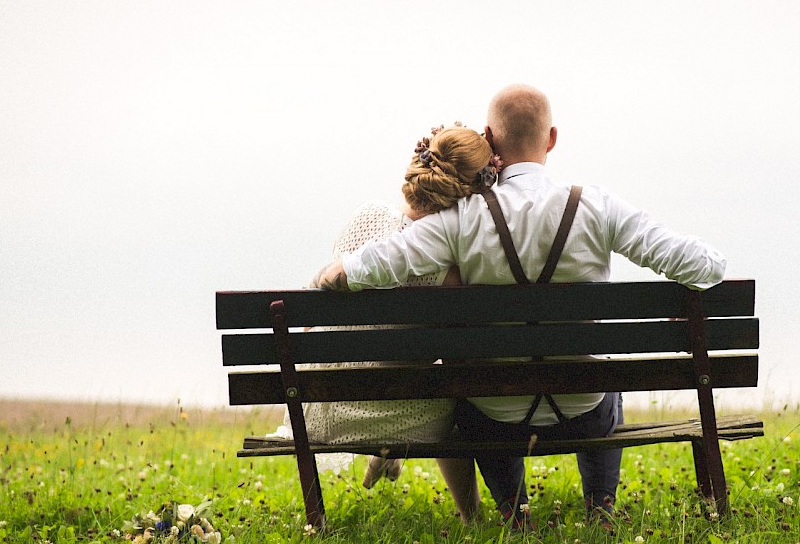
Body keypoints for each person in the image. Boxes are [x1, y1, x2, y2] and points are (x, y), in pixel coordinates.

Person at [312, 84, 728, 528]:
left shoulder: (462, 218)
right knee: (608, 384)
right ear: (551, 138)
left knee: (475, 401)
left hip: (498, 419)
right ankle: (601, 508)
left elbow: (367, 267)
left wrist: (330, 275)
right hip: (584, 413)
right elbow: (704, 266)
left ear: (490, 138)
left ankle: (515, 510)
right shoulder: (599, 206)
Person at [282, 122, 497, 524]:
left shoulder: (366, 216)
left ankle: (387, 455)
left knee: (396, 362)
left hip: (325, 406)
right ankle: (471, 517)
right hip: (401, 408)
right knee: (455, 399)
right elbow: (452, 354)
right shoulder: (447, 264)